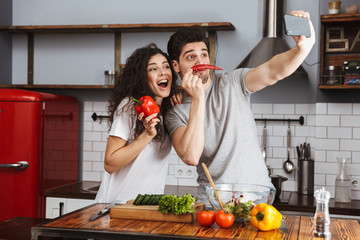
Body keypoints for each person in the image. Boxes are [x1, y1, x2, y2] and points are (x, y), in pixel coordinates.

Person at [165, 10, 315, 203]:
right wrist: (197, 99)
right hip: (214, 203)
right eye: (191, 57)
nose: (201, 61)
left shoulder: (233, 82)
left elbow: (272, 71)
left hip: (257, 197)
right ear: (176, 66)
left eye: (204, 54)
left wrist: (302, 49)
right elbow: (191, 156)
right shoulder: (174, 111)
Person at [95, 43, 180, 204]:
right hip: (116, 207)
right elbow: (110, 163)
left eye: (166, 66)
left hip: (147, 209)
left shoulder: (164, 112)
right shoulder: (130, 107)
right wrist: (146, 135)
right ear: (142, 77)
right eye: (153, 69)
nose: (163, 72)